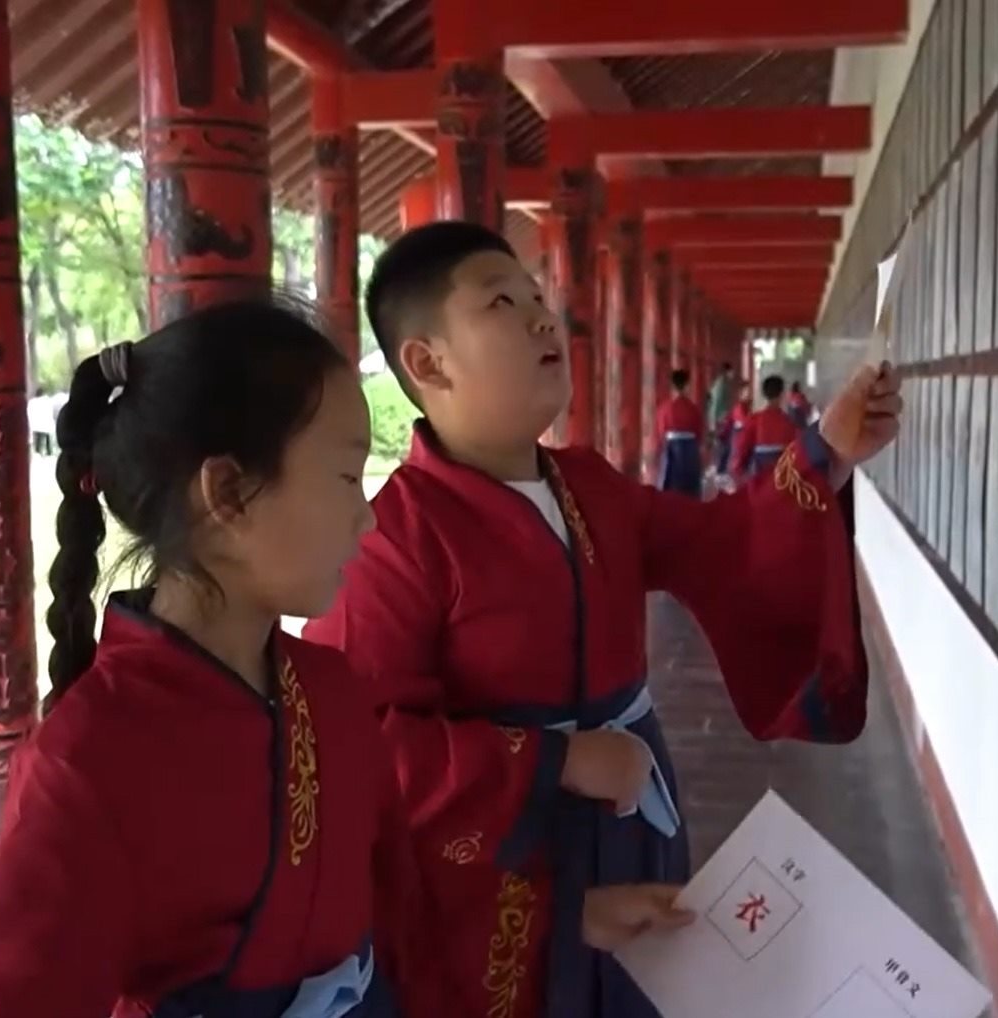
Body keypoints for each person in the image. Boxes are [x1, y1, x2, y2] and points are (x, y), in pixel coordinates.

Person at [303, 221, 903, 1018]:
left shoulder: (590, 486)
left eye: (537, 298)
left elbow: (722, 541)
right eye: (502, 303)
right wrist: (555, 760)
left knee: (644, 985)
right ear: (428, 362)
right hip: (508, 863)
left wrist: (826, 452)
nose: (541, 318)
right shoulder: (394, 540)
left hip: (630, 818)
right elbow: (363, 743)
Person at [0, 301, 427, 1018]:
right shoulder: (92, 760)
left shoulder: (330, 690)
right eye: (347, 477)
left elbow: (401, 919)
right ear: (228, 494)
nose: (366, 515)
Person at [734, 375, 801, 482]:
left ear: (764, 394)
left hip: (759, 475)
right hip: (783, 478)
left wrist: (738, 469)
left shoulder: (755, 419)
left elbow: (743, 447)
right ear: (782, 394)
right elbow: (798, 450)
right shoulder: (789, 422)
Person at [653, 368, 704, 497]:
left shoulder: (664, 408)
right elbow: (699, 432)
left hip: (671, 448)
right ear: (687, 386)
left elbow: (660, 432)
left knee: (670, 483)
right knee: (690, 486)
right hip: (690, 449)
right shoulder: (693, 409)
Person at [706, 361, 739, 473]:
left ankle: (721, 469)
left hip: (724, 419)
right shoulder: (721, 385)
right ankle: (719, 470)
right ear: (727, 371)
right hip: (720, 420)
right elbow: (715, 404)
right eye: (732, 371)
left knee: (725, 446)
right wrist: (712, 424)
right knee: (723, 446)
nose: (733, 374)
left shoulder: (724, 383)